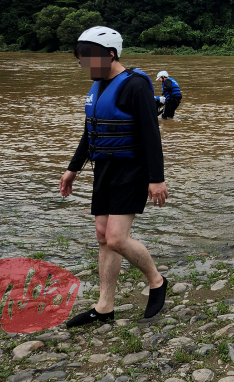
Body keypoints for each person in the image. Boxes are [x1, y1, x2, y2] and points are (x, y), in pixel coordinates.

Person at [59, 26, 168, 326]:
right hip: (104, 169)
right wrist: (73, 168)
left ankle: (157, 281)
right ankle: (104, 308)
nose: (85, 65)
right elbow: (91, 131)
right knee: (102, 237)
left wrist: (156, 178)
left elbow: (151, 134)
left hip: (131, 169)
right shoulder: (98, 87)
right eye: (82, 60)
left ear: (110, 54)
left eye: (90, 59)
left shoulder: (135, 86)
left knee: (117, 238)